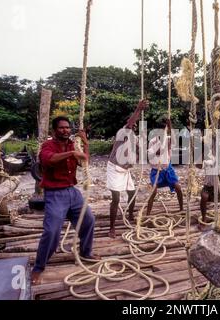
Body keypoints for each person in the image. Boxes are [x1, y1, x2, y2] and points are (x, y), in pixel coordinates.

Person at [31, 116, 96, 285]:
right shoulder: (48, 145)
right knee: (52, 231)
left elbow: (84, 161)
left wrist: (85, 143)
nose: (65, 130)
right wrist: (72, 153)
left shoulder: (73, 144)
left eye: (67, 127)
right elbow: (48, 160)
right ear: (54, 130)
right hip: (54, 194)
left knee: (88, 219)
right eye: (61, 128)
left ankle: (86, 252)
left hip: (72, 192)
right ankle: (38, 267)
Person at [106, 99, 149, 238]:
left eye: (136, 126)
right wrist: (138, 109)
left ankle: (130, 215)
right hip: (115, 168)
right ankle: (111, 228)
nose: (134, 126)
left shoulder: (134, 137)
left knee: (132, 193)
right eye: (133, 124)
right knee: (116, 198)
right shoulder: (122, 132)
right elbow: (130, 124)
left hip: (126, 170)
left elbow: (140, 151)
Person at [146, 118, 184, 215]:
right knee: (153, 192)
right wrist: (158, 149)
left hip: (168, 169)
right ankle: (147, 213)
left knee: (178, 187)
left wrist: (170, 126)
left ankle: (181, 209)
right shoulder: (153, 141)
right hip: (156, 170)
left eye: (164, 130)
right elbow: (151, 155)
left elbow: (174, 141)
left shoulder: (168, 139)